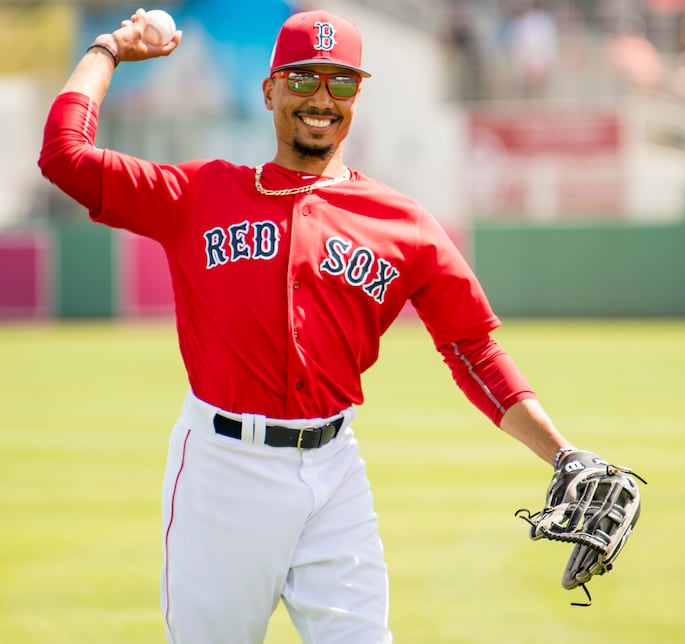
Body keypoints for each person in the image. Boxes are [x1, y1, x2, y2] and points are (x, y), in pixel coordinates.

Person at [38, 9, 598, 643]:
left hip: (335, 471)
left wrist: (563, 455)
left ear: (359, 94)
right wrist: (108, 48)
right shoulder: (199, 194)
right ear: (270, 89)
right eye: (303, 80)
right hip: (224, 469)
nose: (322, 100)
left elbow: (473, 350)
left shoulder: (403, 223)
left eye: (342, 82)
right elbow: (64, 156)